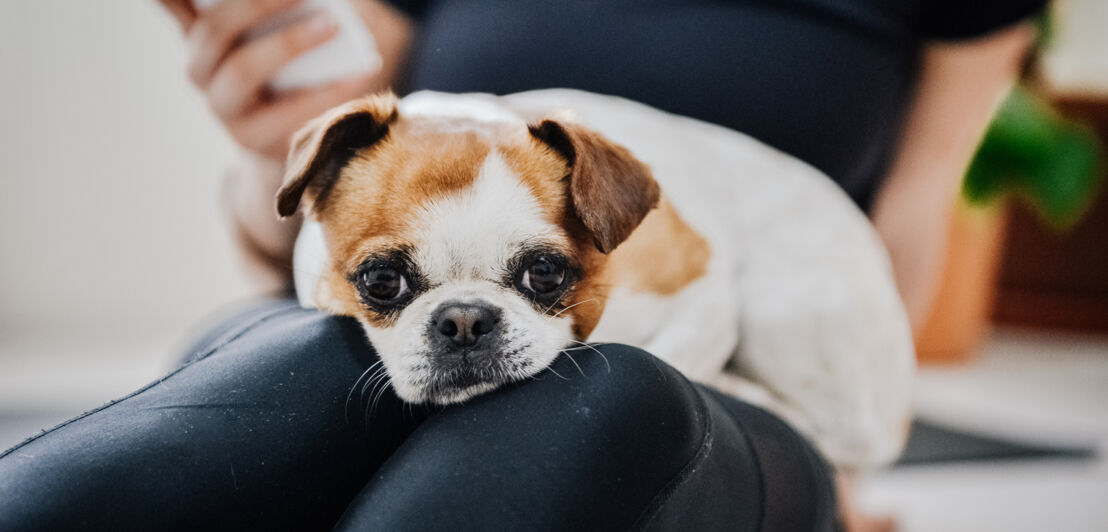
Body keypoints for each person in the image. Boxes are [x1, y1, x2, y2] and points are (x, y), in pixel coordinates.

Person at [0, 0, 1044, 529]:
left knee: (594, 393)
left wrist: (854, 456)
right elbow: (283, 223)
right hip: (335, 327)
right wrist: (258, 135)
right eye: (390, 280)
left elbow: (909, 221)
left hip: (715, 368)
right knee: (306, 356)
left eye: (539, 273)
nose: (464, 319)